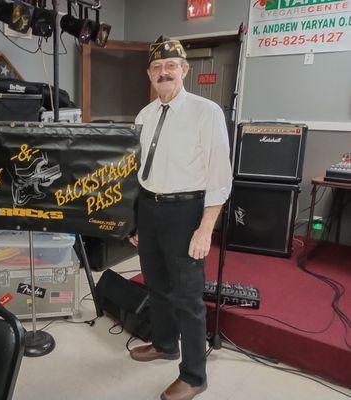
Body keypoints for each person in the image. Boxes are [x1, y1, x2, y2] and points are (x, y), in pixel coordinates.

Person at [128, 36, 232, 400]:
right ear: (150, 75)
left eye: (171, 66)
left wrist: (205, 229)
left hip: (187, 212)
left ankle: (193, 375)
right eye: (157, 68)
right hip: (150, 209)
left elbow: (220, 178)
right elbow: (138, 173)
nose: (164, 72)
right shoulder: (145, 114)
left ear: (185, 70)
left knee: (187, 296)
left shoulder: (207, 113)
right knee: (156, 285)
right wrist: (137, 221)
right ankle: (164, 343)